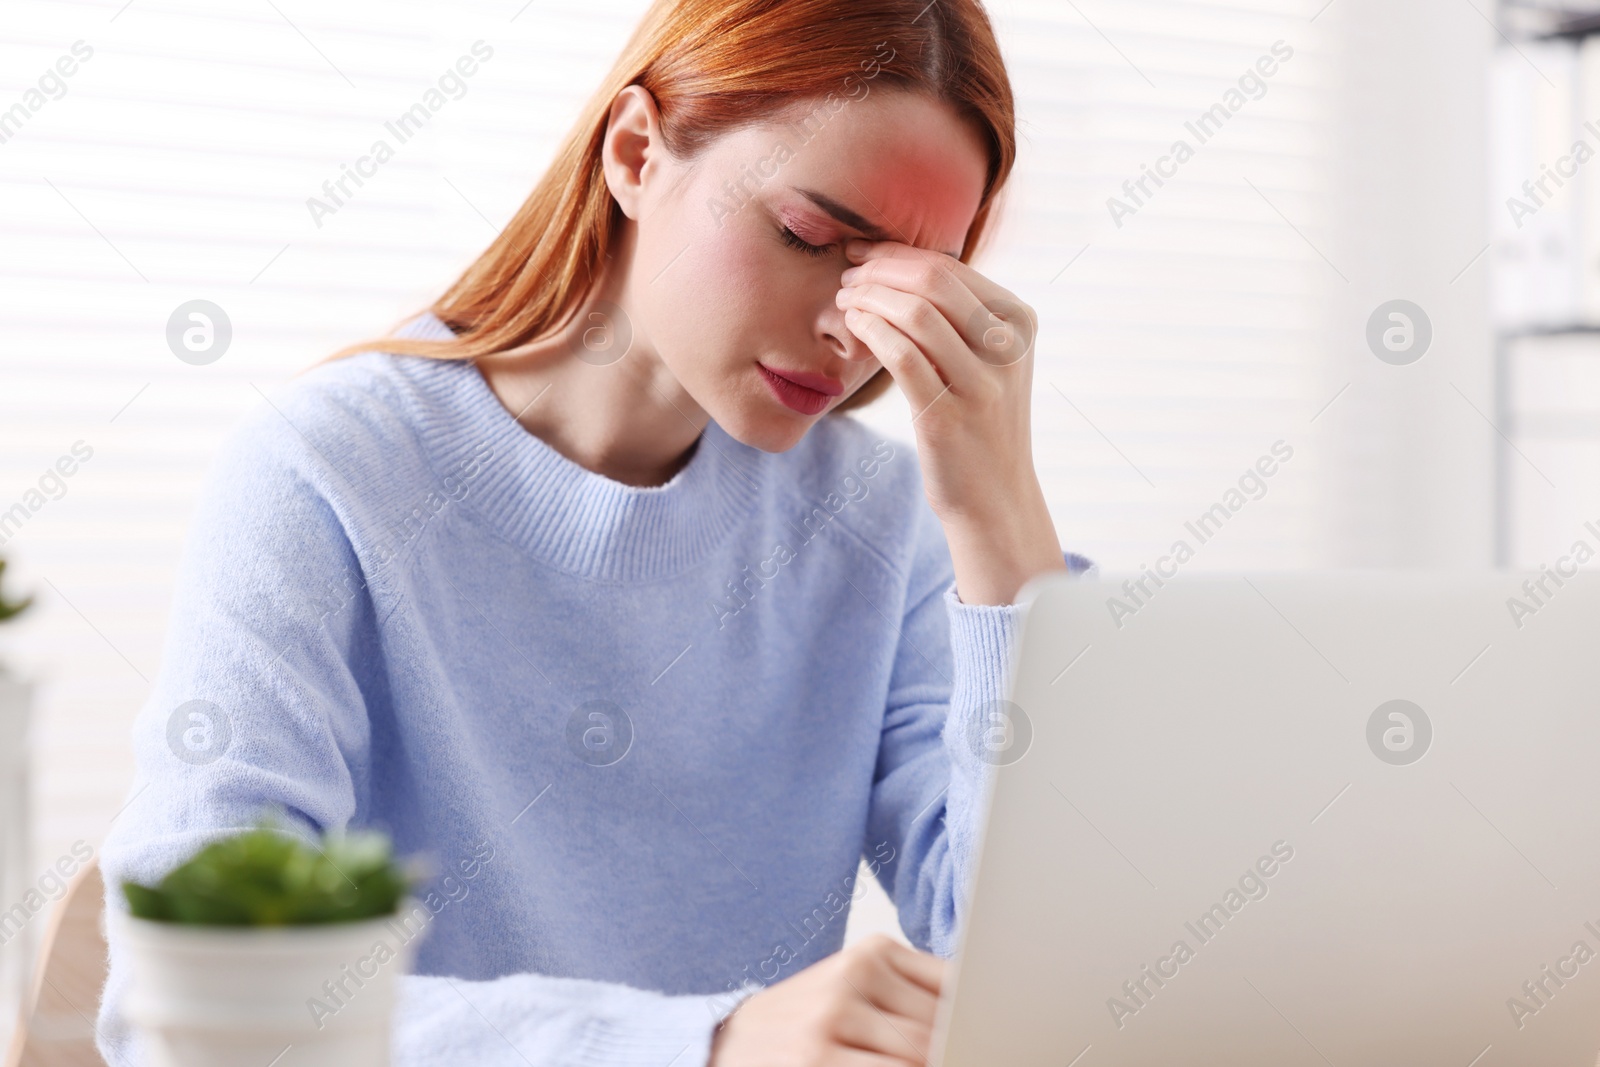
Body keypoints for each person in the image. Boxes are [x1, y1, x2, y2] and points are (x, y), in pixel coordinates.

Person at [95, 0, 1092, 1063]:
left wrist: (1004, 531)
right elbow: (194, 1004)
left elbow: (1037, 963)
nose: (851, 331)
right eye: (809, 235)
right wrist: (703, 1042)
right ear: (633, 152)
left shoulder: (882, 521)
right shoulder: (331, 470)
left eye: (911, 283)